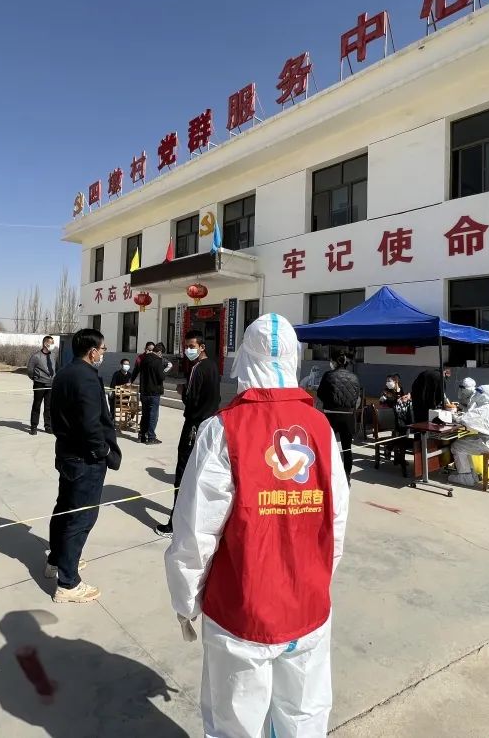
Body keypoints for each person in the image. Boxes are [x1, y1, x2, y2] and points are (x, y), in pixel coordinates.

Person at [165, 313, 349, 738]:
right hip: (307, 606)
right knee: (303, 717)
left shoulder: (222, 429)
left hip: (241, 610)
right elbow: (336, 520)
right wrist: (316, 580)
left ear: (244, 358)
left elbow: (195, 532)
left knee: (236, 725)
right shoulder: (321, 428)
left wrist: (185, 600)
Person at [47, 328, 121, 603]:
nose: (103, 353)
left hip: (67, 453)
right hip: (85, 459)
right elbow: (91, 425)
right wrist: (103, 451)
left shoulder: (65, 372)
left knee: (65, 508)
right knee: (81, 517)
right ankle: (68, 583)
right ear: (92, 351)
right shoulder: (87, 378)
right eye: (102, 349)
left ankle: (57, 560)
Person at [154, 330, 221, 538]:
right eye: (187, 347)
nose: (188, 350)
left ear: (202, 347)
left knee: (183, 475)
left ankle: (175, 523)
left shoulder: (198, 369)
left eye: (192, 347)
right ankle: (195, 519)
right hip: (208, 424)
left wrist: (183, 392)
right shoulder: (213, 367)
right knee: (200, 474)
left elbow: (192, 399)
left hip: (194, 424)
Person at [449, 385, 489, 487]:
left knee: (457, 446)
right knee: (465, 441)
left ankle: (465, 477)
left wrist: (452, 415)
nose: (475, 395)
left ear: (483, 396)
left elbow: (464, 419)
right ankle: (472, 474)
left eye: (477, 393)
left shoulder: (485, 409)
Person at [317, 353, 364, 483]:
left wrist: (329, 402)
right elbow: (356, 396)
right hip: (348, 416)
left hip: (330, 414)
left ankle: (327, 475)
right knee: (347, 448)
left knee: (327, 446)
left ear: (334, 362)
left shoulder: (328, 375)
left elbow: (320, 393)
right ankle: (347, 476)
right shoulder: (354, 377)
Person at [130, 341, 167, 444]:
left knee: (145, 414)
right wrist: (165, 371)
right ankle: (151, 437)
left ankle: (142, 436)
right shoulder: (158, 360)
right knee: (153, 415)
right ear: (159, 352)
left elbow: (136, 371)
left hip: (144, 391)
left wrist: (131, 380)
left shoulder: (143, 359)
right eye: (161, 354)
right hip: (154, 392)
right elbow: (161, 377)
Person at [26, 336, 58, 435]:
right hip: (39, 384)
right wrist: (35, 378)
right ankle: (33, 427)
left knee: (48, 406)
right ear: (45, 343)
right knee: (37, 405)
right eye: (51, 343)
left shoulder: (53, 355)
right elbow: (30, 370)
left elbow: (56, 368)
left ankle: (48, 426)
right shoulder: (36, 356)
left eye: (53, 343)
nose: (52, 345)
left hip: (50, 384)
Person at [109, 357, 133, 422]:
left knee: (134, 400)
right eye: (125, 364)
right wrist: (123, 386)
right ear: (121, 365)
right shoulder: (116, 374)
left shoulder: (130, 375)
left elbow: (132, 385)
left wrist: (129, 385)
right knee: (110, 395)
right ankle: (112, 416)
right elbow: (112, 386)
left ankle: (130, 417)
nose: (127, 366)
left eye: (128, 364)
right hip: (118, 395)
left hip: (126, 396)